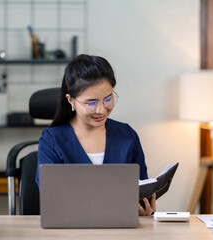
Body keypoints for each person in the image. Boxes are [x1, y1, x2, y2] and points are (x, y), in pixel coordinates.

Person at [36, 54, 156, 216]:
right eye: (91, 103)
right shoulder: (51, 140)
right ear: (70, 100)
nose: (101, 110)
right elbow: (52, 199)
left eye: (108, 99)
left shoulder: (127, 136)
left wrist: (145, 209)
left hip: (121, 229)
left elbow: (141, 189)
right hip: (70, 231)